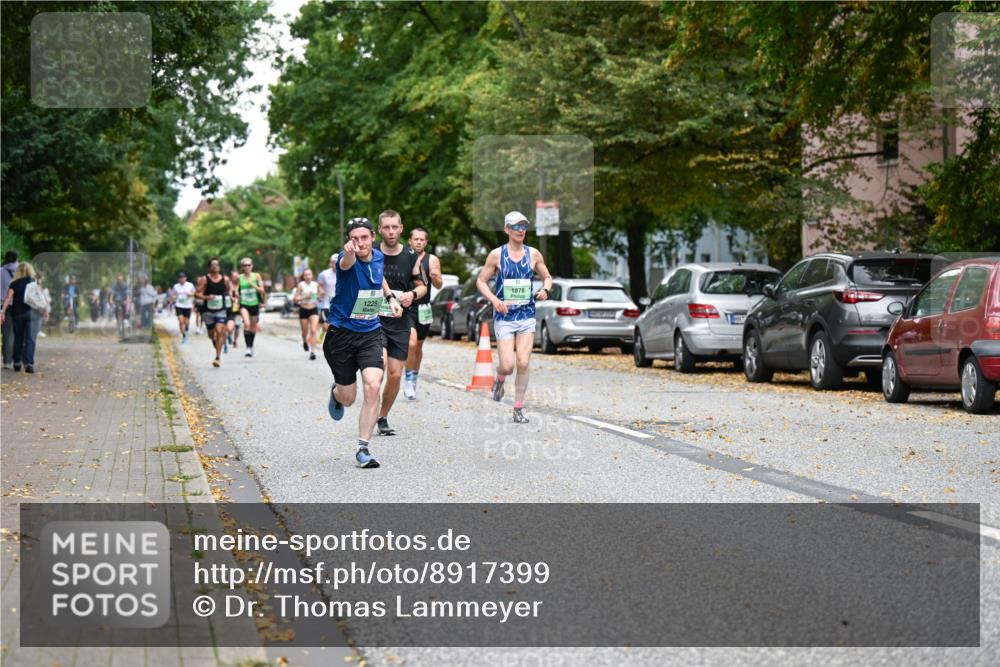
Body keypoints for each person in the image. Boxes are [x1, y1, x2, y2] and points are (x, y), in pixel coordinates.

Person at [325, 217, 403, 469]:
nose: (359, 243)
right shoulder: (345, 258)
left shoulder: (379, 257)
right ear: (349, 240)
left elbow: (378, 278)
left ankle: (363, 449)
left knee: (372, 386)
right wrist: (348, 253)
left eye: (364, 238)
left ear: (372, 237)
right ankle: (336, 393)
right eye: (354, 239)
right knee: (348, 398)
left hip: (370, 332)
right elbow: (345, 264)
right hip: (341, 335)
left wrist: (390, 298)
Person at [477, 211, 553, 424]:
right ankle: (499, 380)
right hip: (505, 316)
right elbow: (481, 281)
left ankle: (518, 408)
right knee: (508, 365)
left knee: (523, 361)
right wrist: (494, 299)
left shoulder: (533, 254)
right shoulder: (496, 255)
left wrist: (545, 290)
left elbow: (547, 276)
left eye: (523, 226)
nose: (520, 230)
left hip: (527, 314)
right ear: (507, 229)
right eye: (516, 226)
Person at [373, 210, 426, 435]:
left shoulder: (411, 256)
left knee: (395, 373)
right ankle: (370, 410)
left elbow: (422, 285)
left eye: (395, 227)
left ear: (401, 228)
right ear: (379, 230)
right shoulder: (372, 254)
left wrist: (412, 294)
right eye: (386, 227)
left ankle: (382, 416)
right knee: (380, 367)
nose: (391, 231)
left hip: (400, 321)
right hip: (375, 320)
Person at [403, 226, 443, 400]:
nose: (418, 242)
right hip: (407, 307)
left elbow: (439, 284)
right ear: (409, 241)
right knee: (411, 344)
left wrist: (434, 277)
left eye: (422, 239)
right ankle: (408, 380)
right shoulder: (403, 257)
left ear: (426, 242)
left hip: (424, 308)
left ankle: (414, 377)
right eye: (415, 239)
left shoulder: (432, 259)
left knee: (418, 346)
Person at [0, 262, 40, 373]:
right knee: (30, 339)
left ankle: (17, 362)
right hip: (32, 314)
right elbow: (40, 298)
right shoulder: (34, 282)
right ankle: (29, 364)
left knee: (18, 337)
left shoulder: (14, 283)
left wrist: (2, 311)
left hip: (18, 314)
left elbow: (8, 298)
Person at [194, 258, 232, 367]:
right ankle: (218, 345)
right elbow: (196, 294)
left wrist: (231, 298)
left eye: (217, 265)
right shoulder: (204, 279)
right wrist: (206, 297)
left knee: (220, 330)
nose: (215, 266)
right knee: (211, 335)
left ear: (219, 267)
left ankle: (217, 357)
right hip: (208, 311)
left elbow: (228, 291)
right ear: (209, 267)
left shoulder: (225, 279)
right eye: (212, 265)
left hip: (221, 309)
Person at [237, 257, 266, 357]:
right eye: (245, 265)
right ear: (242, 267)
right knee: (246, 324)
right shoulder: (239, 277)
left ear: (252, 266)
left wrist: (251, 283)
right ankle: (247, 348)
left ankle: (250, 346)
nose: (247, 267)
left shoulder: (256, 276)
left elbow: (262, 291)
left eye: (249, 265)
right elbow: (237, 291)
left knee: (253, 328)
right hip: (244, 303)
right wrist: (236, 298)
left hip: (254, 304)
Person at [293, 267, 322, 360]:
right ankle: (305, 340)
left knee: (313, 330)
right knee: (304, 332)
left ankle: (313, 352)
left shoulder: (315, 284)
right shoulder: (301, 285)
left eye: (309, 274)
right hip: (303, 310)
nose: (307, 276)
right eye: (306, 275)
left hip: (313, 309)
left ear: (312, 275)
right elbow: (295, 299)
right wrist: (304, 297)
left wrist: (319, 296)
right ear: (303, 276)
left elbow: (321, 293)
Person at [2, 251, 19, 368]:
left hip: (4, 306)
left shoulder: (0, 271)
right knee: (19, 334)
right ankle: (18, 359)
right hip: (20, 306)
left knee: (7, 335)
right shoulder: (22, 271)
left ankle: (7, 362)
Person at [316, 253, 338, 340]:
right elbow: (319, 285)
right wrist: (320, 291)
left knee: (334, 328)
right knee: (326, 327)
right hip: (326, 305)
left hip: (338, 305)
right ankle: (322, 335)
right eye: (333, 263)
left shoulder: (344, 273)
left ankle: (332, 343)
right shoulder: (324, 274)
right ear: (330, 263)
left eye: (337, 262)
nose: (335, 265)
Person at [170, 272, 196, 343]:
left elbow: (195, 293)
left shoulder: (190, 285)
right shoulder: (176, 286)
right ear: (178, 279)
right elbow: (173, 295)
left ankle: (186, 328)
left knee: (186, 321)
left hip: (188, 305)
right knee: (181, 321)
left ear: (185, 278)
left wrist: (190, 294)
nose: (181, 279)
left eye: (183, 278)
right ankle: (184, 335)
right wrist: (174, 297)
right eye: (180, 278)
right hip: (179, 305)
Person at [32, 273, 52, 339]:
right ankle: (38, 330)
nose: (43, 279)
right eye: (42, 277)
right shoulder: (36, 282)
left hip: (40, 302)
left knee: (41, 316)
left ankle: (38, 330)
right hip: (38, 303)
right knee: (40, 316)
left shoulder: (38, 283)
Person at [226, 270, 242, 351]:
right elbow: (229, 293)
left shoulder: (241, 284)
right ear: (231, 277)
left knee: (237, 326)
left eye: (236, 276)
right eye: (233, 276)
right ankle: (229, 335)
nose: (235, 278)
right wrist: (232, 298)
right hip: (230, 307)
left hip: (239, 307)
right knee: (230, 326)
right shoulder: (229, 284)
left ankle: (235, 340)